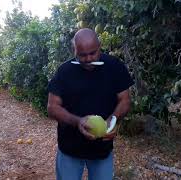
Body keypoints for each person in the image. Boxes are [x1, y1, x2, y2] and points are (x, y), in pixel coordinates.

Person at [47, 28, 134, 180]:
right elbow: (52, 107)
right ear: (74, 51)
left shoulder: (114, 66)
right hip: (70, 149)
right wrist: (78, 121)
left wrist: (112, 121)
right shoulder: (64, 71)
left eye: (93, 53)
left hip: (101, 150)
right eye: (82, 55)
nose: (88, 59)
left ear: (100, 47)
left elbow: (125, 100)